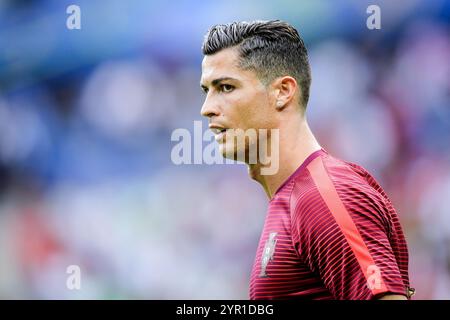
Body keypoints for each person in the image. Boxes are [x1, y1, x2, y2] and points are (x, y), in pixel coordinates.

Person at [199, 20, 414, 300]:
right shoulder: (294, 198)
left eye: (226, 87)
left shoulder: (322, 197)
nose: (207, 109)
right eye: (207, 91)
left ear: (283, 92)